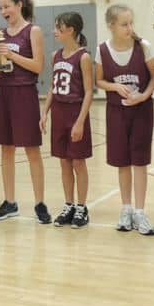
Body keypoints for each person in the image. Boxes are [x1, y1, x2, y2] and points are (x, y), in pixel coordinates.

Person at [95, 4, 154, 235]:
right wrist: (114, 86)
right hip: (116, 112)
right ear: (111, 26)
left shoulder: (144, 47)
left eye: (131, 23)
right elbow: (99, 81)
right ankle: (126, 209)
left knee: (139, 162)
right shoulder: (102, 50)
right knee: (122, 162)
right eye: (124, 24)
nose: (129, 28)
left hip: (141, 112)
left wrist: (144, 95)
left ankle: (140, 212)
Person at [0, 0, 50, 224]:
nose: (4, 11)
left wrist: (11, 56)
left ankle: (40, 203)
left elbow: (37, 66)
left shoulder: (32, 31)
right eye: (0, 7)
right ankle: (10, 202)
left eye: (7, 6)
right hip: (3, 93)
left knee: (32, 150)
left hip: (24, 93)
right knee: (6, 149)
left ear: (19, 5)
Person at [40, 12, 93, 229]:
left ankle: (81, 207)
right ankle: (69, 204)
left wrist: (80, 121)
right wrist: (44, 112)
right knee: (64, 161)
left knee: (78, 162)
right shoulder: (56, 55)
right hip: (59, 113)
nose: (54, 31)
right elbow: (52, 87)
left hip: (76, 111)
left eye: (58, 27)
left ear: (70, 30)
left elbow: (89, 91)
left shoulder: (83, 57)